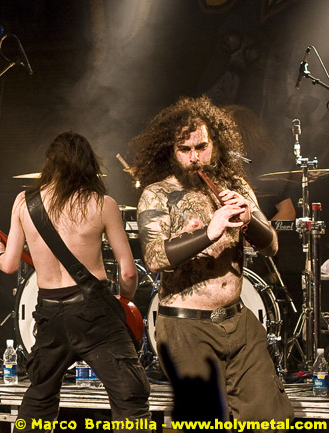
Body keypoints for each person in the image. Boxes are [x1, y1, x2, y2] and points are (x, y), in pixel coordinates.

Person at [132, 96, 293, 430]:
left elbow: (272, 246)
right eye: (184, 149)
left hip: (238, 323)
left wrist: (250, 219)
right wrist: (210, 231)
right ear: (170, 151)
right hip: (187, 328)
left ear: (215, 144)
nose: (195, 157)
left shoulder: (236, 186)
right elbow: (154, 257)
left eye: (201, 147)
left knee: (271, 420)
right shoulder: (157, 194)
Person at [0, 132, 151, 432]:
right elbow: (129, 272)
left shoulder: (24, 203)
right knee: (130, 400)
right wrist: (124, 301)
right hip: (94, 312)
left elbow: (10, 265)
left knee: (39, 397)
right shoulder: (103, 204)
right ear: (88, 165)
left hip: (50, 312)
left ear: (50, 164)